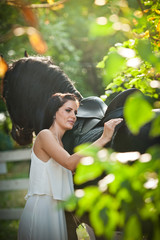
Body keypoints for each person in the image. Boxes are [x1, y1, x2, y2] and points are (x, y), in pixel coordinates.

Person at [18, 92, 123, 240]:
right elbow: (69, 163)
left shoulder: (60, 144)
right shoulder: (44, 135)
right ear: (54, 113)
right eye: (68, 110)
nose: (73, 116)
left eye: (75, 112)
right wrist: (104, 137)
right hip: (43, 210)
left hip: (57, 212)